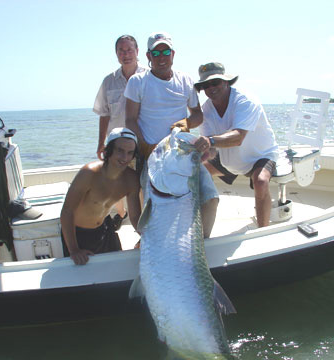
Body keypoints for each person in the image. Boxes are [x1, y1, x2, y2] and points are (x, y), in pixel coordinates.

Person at [124, 31, 218, 237]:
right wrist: (144, 144)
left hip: (181, 154)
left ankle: (200, 245)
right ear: (148, 57)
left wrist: (186, 122)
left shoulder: (185, 80)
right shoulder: (137, 82)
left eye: (165, 51)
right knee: (154, 208)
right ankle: (151, 243)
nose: (161, 57)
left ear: (173, 54)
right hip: (150, 155)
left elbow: (198, 115)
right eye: (155, 53)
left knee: (210, 197)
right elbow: (130, 119)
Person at [193, 62, 279, 228]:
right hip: (228, 160)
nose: (211, 88)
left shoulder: (245, 101)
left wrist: (209, 141)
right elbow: (210, 147)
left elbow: (238, 137)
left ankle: (263, 231)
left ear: (226, 82)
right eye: (206, 85)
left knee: (261, 182)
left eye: (215, 82)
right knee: (193, 173)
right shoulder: (206, 110)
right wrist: (201, 154)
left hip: (259, 156)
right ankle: (197, 229)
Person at [60, 128, 141, 265]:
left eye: (130, 153)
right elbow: (67, 212)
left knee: (116, 268)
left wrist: (146, 238)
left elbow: (134, 217)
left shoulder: (131, 179)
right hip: (78, 234)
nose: (125, 158)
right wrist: (73, 249)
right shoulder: (89, 173)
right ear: (108, 150)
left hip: (105, 228)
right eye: (120, 151)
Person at [93, 35, 146, 229]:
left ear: (137, 51)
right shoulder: (109, 81)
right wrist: (101, 143)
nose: (126, 54)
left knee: (140, 186)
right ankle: (121, 215)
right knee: (115, 183)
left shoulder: (149, 77)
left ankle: (142, 227)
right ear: (116, 54)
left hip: (142, 143)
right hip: (116, 144)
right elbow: (104, 114)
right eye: (121, 51)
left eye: (129, 50)